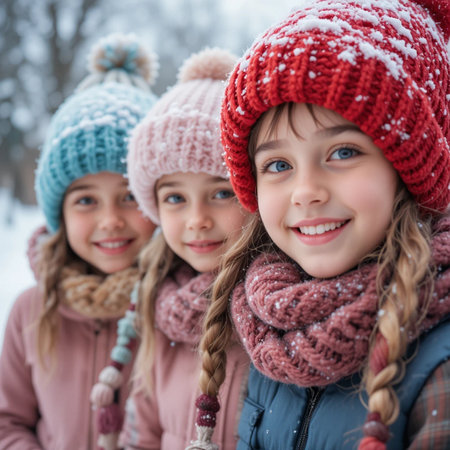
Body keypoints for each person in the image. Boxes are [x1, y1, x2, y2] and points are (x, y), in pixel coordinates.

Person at [190, 0, 450, 449]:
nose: (305, 190)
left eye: (343, 152)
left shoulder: (440, 361)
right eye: (277, 164)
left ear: (411, 170)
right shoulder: (268, 328)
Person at [0, 33, 158, 449]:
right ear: (60, 214)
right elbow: (8, 422)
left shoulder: (179, 307)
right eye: (86, 200)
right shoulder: (31, 311)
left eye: (129, 197)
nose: (110, 220)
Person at [97, 47, 250, 450]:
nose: (196, 218)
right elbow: (141, 432)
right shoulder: (158, 303)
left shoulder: (267, 310)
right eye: (176, 199)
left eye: (220, 193)